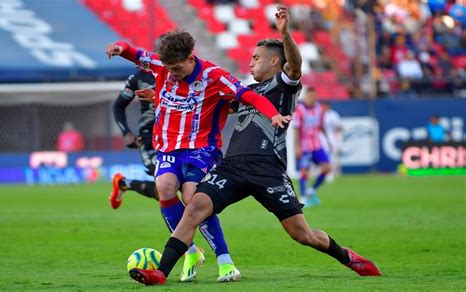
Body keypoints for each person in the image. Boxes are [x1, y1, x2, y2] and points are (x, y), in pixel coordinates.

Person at [127, 6, 381, 286]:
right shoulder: (244, 93)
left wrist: (285, 35)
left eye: (256, 58)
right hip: (232, 167)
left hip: (268, 170)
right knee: (194, 207)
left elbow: (294, 65)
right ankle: (160, 272)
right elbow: (200, 106)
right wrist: (161, 97)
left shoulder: (284, 85)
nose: (250, 63)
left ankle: (347, 256)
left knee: (303, 235)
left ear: (274, 62)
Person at [105, 29, 290, 282]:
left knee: (194, 197)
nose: (172, 73)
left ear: (191, 58)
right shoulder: (162, 65)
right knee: (165, 188)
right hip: (168, 147)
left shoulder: (214, 76)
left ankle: (226, 262)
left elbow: (249, 96)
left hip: (203, 148)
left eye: (177, 68)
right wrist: (120, 47)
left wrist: (274, 114)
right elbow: (136, 54)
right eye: (169, 68)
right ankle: (190, 251)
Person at [108, 69, 159, 209]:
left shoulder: (182, 73)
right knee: (164, 190)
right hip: (150, 138)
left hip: (178, 138)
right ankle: (122, 183)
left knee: (182, 188)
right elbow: (118, 106)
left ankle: (123, 183)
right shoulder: (140, 77)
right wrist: (126, 132)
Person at [292, 88, 332, 207]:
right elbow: (296, 129)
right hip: (304, 146)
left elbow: (321, 125)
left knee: (327, 168)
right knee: (304, 171)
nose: (312, 98)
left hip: (317, 144)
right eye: (310, 96)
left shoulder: (319, 108)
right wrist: (297, 146)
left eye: (314, 96)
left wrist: (328, 139)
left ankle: (312, 190)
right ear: (306, 96)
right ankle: (303, 196)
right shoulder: (300, 109)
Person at [320, 101, 343, 183]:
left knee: (332, 156)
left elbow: (339, 127)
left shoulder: (333, 115)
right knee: (323, 156)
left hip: (331, 137)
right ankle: (322, 173)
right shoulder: (320, 113)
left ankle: (331, 174)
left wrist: (338, 138)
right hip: (321, 137)